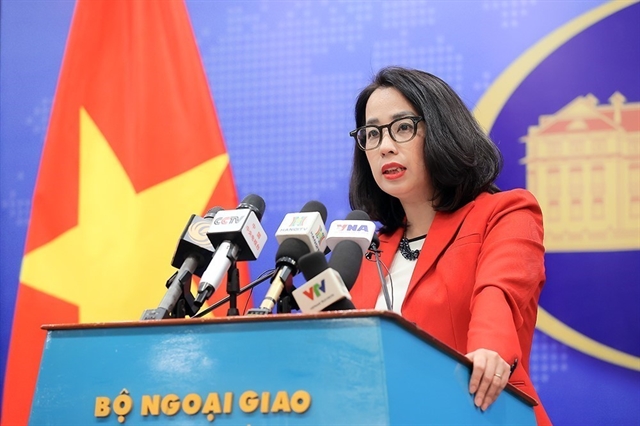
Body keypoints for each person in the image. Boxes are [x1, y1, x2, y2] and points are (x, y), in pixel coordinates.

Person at [347, 66, 551, 425]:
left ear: (442, 130)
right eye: (372, 134)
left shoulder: (504, 213)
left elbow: (498, 292)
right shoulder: (366, 250)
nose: (385, 147)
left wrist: (487, 348)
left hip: (482, 412)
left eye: (403, 128)